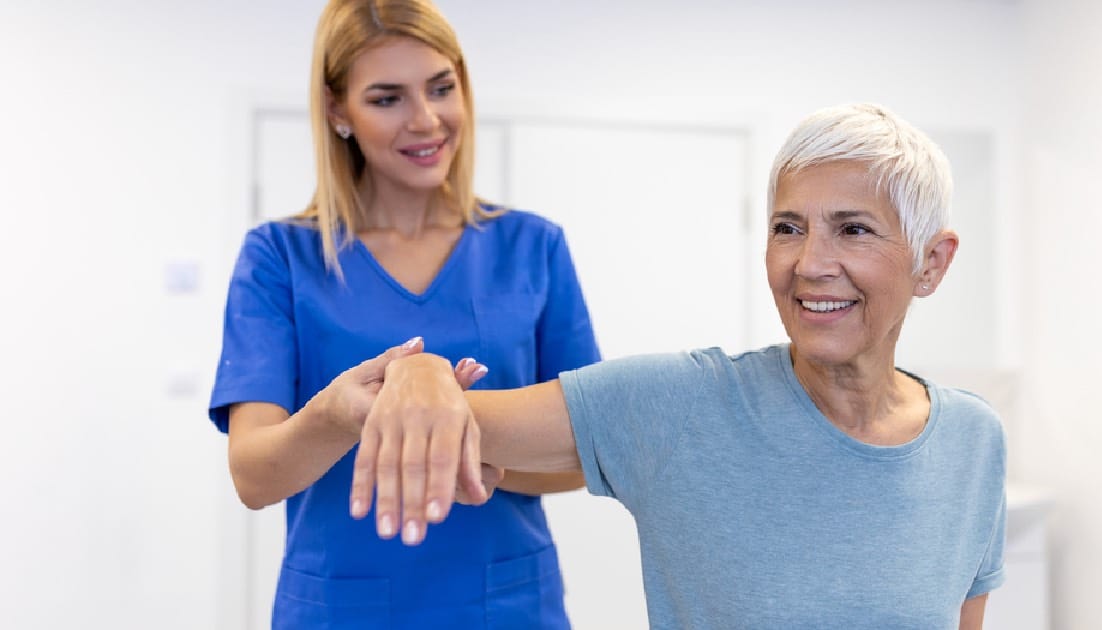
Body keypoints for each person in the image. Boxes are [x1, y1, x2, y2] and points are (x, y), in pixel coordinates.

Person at [357, 103, 1007, 629]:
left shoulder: (972, 441)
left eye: (853, 229)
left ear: (932, 263)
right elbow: (429, 413)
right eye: (788, 227)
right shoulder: (681, 403)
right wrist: (420, 373)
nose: (809, 263)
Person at [207, 0, 600, 627]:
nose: (426, 121)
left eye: (441, 88)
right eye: (387, 98)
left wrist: (455, 434)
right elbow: (254, 475)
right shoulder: (280, 257)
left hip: (504, 603)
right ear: (338, 110)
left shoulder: (533, 247)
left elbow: (586, 453)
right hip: (342, 605)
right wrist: (340, 413)